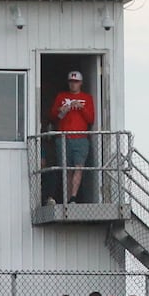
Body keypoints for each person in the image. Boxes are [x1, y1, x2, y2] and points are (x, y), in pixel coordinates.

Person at [49, 70, 96, 203]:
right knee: (67, 169)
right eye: (71, 82)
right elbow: (53, 116)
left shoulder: (87, 98)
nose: (73, 85)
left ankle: (74, 196)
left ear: (80, 83)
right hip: (64, 139)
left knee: (78, 167)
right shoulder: (61, 96)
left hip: (80, 138)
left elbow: (91, 119)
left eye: (76, 82)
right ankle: (68, 198)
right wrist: (61, 110)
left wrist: (81, 107)